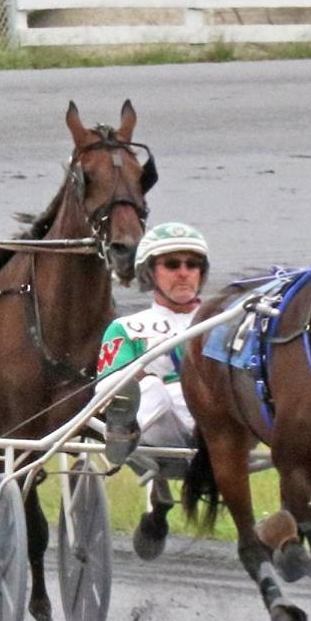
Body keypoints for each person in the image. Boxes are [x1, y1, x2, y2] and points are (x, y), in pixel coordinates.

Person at [95, 221, 209, 560]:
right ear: (150, 273)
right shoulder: (127, 328)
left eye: (193, 265)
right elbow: (106, 389)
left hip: (212, 422)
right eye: (172, 265)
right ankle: (121, 431)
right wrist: (137, 373)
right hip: (159, 429)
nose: (184, 273)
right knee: (155, 389)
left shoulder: (224, 320)